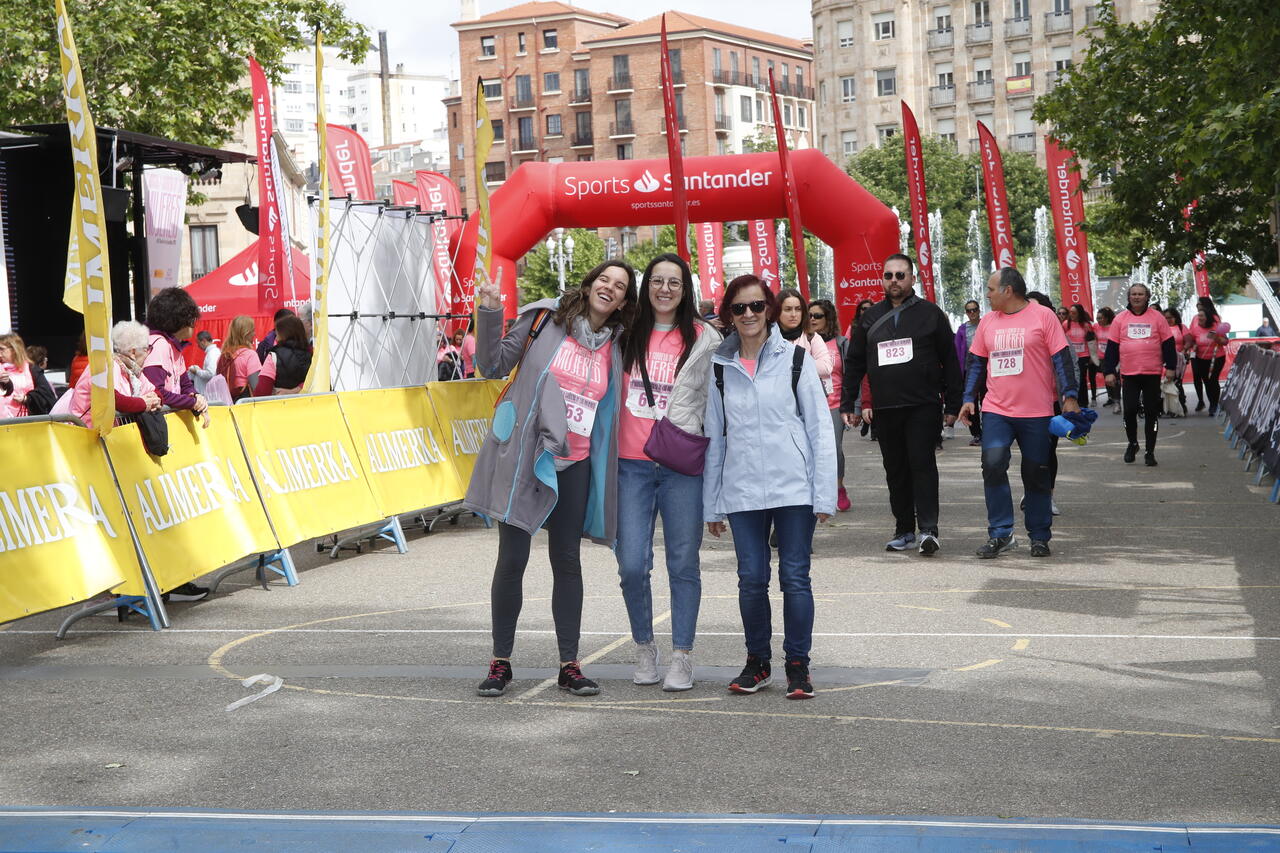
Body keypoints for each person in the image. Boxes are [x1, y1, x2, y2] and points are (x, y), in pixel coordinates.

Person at [465, 260, 638, 698]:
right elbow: (492, 364)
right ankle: (500, 663)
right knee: (513, 560)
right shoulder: (546, 319)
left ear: (623, 300)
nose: (610, 288)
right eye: (605, 279)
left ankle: (569, 665)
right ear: (590, 282)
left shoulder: (617, 345)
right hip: (526, 456)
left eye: (619, 286)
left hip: (575, 462)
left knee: (567, 562)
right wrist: (488, 310)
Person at [704, 274, 835, 700]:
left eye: (756, 306)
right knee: (751, 579)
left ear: (770, 310)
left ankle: (798, 665)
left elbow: (818, 428)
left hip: (793, 487)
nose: (748, 315)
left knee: (795, 578)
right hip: (742, 490)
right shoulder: (720, 368)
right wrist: (712, 505)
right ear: (729, 314)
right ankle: (757, 662)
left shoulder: (795, 360)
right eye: (739, 308)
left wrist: (824, 493)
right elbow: (715, 437)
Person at [616, 253, 721, 692]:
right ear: (646, 287)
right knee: (631, 564)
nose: (664, 289)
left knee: (683, 562)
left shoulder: (705, 338)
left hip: (681, 466)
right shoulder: (623, 336)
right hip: (630, 465)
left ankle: (682, 654)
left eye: (673, 282)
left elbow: (717, 409)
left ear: (685, 289)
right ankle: (645, 646)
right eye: (656, 281)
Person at [840, 254, 962, 556]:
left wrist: (953, 405)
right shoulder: (870, 317)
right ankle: (904, 529)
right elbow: (854, 362)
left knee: (922, 464)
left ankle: (929, 530)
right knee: (895, 470)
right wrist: (849, 403)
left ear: (912, 279)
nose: (894, 281)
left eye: (900, 275)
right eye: (888, 276)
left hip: (922, 405)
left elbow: (950, 361)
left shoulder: (931, 314)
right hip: (886, 407)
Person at [959, 268, 1079, 559]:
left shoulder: (1043, 316)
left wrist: (1070, 396)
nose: (986, 295)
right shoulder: (987, 322)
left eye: (990, 289)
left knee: (1036, 473)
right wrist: (967, 398)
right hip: (997, 410)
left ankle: (1039, 536)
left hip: (1036, 411)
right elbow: (976, 363)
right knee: (993, 464)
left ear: (1008, 290)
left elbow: (1061, 358)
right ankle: (1000, 534)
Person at [141, 286, 210, 601]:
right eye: (190, 320)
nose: (194, 328)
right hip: (151, 445)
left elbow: (182, 385)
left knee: (173, 516)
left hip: (168, 442)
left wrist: (194, 398)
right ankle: (164, 582)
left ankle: (177, 578)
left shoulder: (174, 349)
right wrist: (191, 401)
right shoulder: (156, 347)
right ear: (178, 320)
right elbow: (157, 392)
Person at [1102, 283, 1177, 466]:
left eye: (1140, 294)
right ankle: (1132, 443)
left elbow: (1168, 343)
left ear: (1147, 297)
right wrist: (1109, 371)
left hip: (1152, 373)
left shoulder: (1157, 317)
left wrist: (1171, 367)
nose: (1137, 297)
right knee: (1129, 411)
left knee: (1152, 413)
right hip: (1129, 374)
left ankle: (1150, 451)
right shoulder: (1120, 319)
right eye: (1134, 294)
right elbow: (1112, 348)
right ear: (1129, 297)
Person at [68, 321, 162, 429]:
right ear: (133, 352)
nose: (148, 354)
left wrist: (155, 399)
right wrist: (144, 403)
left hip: (104, 433)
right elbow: (112, 399)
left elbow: (156, 392)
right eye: (147, 349)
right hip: (86, 432)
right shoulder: (109, 365)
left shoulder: (132, 369)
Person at [809, 298, 851, 511]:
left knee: (833, 448)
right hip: (809, 405)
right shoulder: (802, 341)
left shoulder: (840, 343)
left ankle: (838, 487)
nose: (813, 319)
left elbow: (850, 376)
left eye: (818, 315)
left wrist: (852, 406)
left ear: (828, 319)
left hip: (834, 404)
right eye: (810, 315)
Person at [777, 288, 833, 388]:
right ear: (777, 311)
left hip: (806, 397)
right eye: (788, 309)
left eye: (798, 309)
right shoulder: (767, 338)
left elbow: (826, 367)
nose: (793, 315)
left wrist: (793, 363)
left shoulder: (811, 336)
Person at [1188, 297, 1231, 415]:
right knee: (1206, 381)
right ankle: (1210, 402)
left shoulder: (1215, 321)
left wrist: (1216, 338)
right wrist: (1193, 345)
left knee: (1213, 380)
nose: (1199, 319)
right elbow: (1191, 337)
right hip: (1201, 357)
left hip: (1217, 357)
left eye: (1202, 317)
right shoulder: (1195, 320)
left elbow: (1225, 341)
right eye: (1199, 317)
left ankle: (1214, 404)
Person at [0, 333, 56, 419]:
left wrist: (27, 399)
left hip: (28, 420)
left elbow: (46, 395)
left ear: (14, 349)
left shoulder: (31, 369)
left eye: (1, 349)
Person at [256, 315, 312, 395]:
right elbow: (317, 379)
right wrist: (297, 390)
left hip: (281, 404)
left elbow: (262, 391)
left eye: (277, 333)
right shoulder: (312, 354)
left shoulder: (273, 356)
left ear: (282, 334)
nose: (276, 337)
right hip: (309, 404)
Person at [954, 299, 984, 446]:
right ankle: (976, 433)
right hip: (969, 370)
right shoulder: (962, 330)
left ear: (979, 310)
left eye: (974, 309)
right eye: (969, 310)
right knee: (970, 402)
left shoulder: (986, 324)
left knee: (987, 401)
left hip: (988, 370)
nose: (972, 313)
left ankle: (990, 430)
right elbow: (957, 351)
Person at [217, 316, 263, 400]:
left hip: (226, 404)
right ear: (246, 333)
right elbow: (255, 387)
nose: (254, 334)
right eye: (253, 330)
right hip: (244, 404)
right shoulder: (250, 355)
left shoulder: (223, 355)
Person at [1064, 305, 1098, 405]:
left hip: (1084, 355)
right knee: (1073, 378)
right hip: (1071, 356)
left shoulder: (1086, 325)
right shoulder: (1066, 324)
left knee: (1082, 378)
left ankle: (1083, 402)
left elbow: (1092, 341)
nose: (1071, 314)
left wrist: (1093, 356)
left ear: (1079, 313)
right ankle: (1074, 400)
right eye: (1070, 312)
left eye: (1074, 312)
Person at [1163, 307, 1192, 417]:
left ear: (1175, 317)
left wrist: (1184, 350)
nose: (1168, 320)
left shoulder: (1181, 327)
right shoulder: (1162, 328)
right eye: (1165, 318)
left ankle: (1181, 405)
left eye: (1170, 317)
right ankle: (1167, 407)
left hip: (1179, 360)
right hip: (1164, 360)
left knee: (1177, 383)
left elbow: (1189, 341)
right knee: (1164, 383)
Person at [1095, 307, 1117, 411]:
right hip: (1102, 357)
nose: (1098, 320)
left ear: (1107, 318)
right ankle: (1110, 398)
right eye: (1097, 318)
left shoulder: (1113, 327)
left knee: (1115, 379)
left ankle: (1117, 400)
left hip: (1113, 357)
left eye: (1100, 318)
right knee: (1106, 378)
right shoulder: (1096, 327)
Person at [187, 330, 221, 394]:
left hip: (212, 391)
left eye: (198, 343)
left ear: (204, 341)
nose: (198, 346)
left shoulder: (212, 353)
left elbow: (211, 374)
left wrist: (196, 371)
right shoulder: (213, 352)